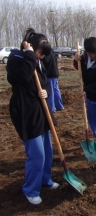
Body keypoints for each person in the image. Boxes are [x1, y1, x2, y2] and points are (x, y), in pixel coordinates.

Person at [6, 28, 59, 205]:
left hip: (41, 112)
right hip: (26, 113)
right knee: (37, 154)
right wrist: (29, 55)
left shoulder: (38, 61)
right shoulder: (15, 59)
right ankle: (31, 189)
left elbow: (46, 82)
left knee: (48, 151)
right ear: (30, 48)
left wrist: (45, 91)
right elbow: (22, 77)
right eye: (39, 53)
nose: (41, 57)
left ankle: (45, 179)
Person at [41, 48, 64, 113]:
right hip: (55, 74)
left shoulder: (46, 54)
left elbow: (46, 60)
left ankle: (51, 108)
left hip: (50, 75)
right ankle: (59, 106)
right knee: (56, 90)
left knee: (50, 91)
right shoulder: (52, 52)